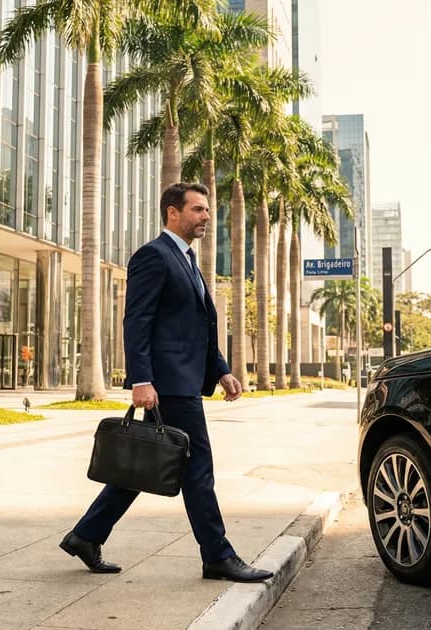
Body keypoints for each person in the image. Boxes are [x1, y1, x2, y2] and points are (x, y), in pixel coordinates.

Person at [59, 182, 273, 583]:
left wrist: (222, 369)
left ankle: (86, 535)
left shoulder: (188, 260)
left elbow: (199, 326)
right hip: (168, 384)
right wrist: (140, 379)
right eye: (197, 210)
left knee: (146, 464)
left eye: (207, 210)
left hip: (184, 380)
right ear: (173, 213)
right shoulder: (153, 256)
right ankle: (217, 556)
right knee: (197, 468)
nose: (206, 217)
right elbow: (137, 321)